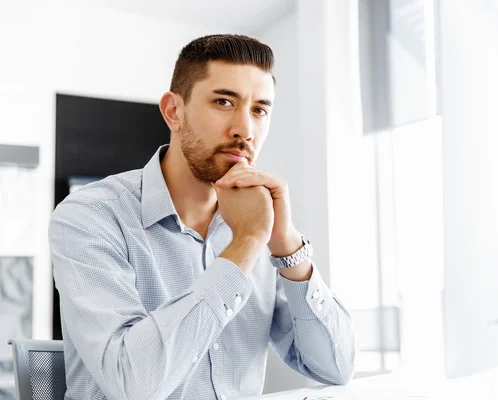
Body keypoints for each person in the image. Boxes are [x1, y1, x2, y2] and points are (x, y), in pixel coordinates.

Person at [49, 34, 356, 400]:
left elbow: (336, 367)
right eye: (224, 101)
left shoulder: (259, 225)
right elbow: (132, 384)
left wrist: (287, 244)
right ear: (173, 112)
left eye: (259, 110)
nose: (245, 130)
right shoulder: (90, 215)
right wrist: (244, 245)